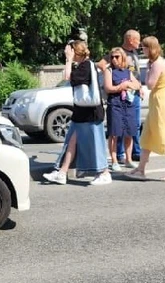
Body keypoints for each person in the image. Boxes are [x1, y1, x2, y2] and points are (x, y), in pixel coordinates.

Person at [42, 41, 112, 186]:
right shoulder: (83, 66)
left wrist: (68, 60)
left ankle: (104, 173)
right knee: (70, 142)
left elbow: (68, 77)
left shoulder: (86, 66)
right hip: (81, 112)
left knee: (95, 143)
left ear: (75, 52)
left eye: (70, 50)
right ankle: (62, 172)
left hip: (90, 113)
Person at [125, 36, 165, 182]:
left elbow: (150, 84)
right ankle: (141, 169)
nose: (142, 50)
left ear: (150, 48)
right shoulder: (158, 62)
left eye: (144, 47)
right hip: (158, 101)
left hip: (161, 102)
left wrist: (147, 70)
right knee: (147, 136)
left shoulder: (157, 64)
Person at [97, 30, 143, 164]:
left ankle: (135, 153)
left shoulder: (134, 53)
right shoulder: (118, 52)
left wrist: (138, 87)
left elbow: (135, 74)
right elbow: (100, 64)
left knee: (133, 126)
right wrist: (108, 74)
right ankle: (119, 155)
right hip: (117, 97)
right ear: (130, 40)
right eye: (137, 40)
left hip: (132, 94)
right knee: (117, 129)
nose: (139, 43)